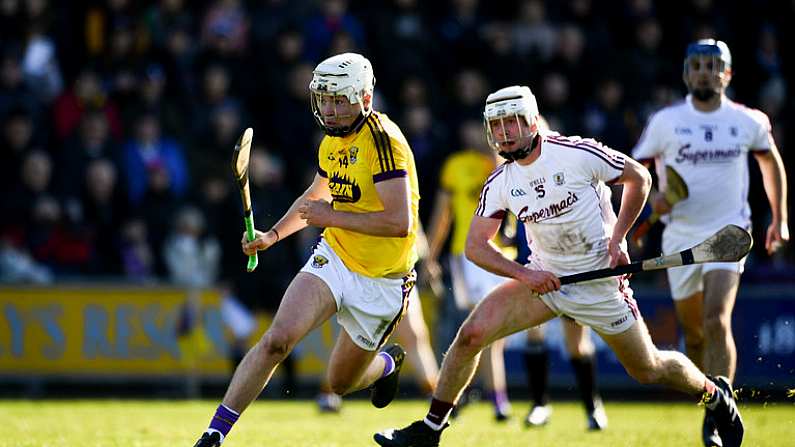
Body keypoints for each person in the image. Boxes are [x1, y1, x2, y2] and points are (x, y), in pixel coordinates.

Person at [374, 85, 744, 447]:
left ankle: (715, 395)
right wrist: (526, 274)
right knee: (472, 335)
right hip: (545, 282)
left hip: (601, 286)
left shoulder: (575, 152)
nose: (503, 133)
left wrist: (618, 239)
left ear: (532, 122)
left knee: (648, 369)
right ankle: (430, 429)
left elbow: (639, 178)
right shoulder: (502, 181)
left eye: (511, 123)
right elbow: (475, 246)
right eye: (496, 125)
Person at [192, 52, 421, 447]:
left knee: (340, 382)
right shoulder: (331, 143)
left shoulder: (385, 143)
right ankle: (214, 434)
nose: (329, 110)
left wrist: (329, 216)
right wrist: (271, 236)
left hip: (384, 280)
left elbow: (398, 224)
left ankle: (386, 365)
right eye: (324, 99)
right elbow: (314, 198)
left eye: (339, 100)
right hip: (335, 257)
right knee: (277, 340)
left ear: (364, 99)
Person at [632, 39, 788, 447]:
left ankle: (721, 419)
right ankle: (712, 402)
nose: (705, 71)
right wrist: (655, 202)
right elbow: (634, 174)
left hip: (728, 234)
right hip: (679, 237)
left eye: (713, 65)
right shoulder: (666, 122)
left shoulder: (747, 121)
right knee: (694, 334)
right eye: (697, 65)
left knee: (717, 319)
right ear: (687, 73)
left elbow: (771, 164)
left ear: (727, 74)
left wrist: (780, 219)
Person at [421, 119, 518, 421]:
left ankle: (482, 397)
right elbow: (443, 214)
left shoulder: (507, 163)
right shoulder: (456, 165)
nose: (471, 133)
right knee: (473, 328)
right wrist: (430, 256)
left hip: (504, 255)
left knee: (490, 333)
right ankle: (487, 399)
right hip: (466, 258)